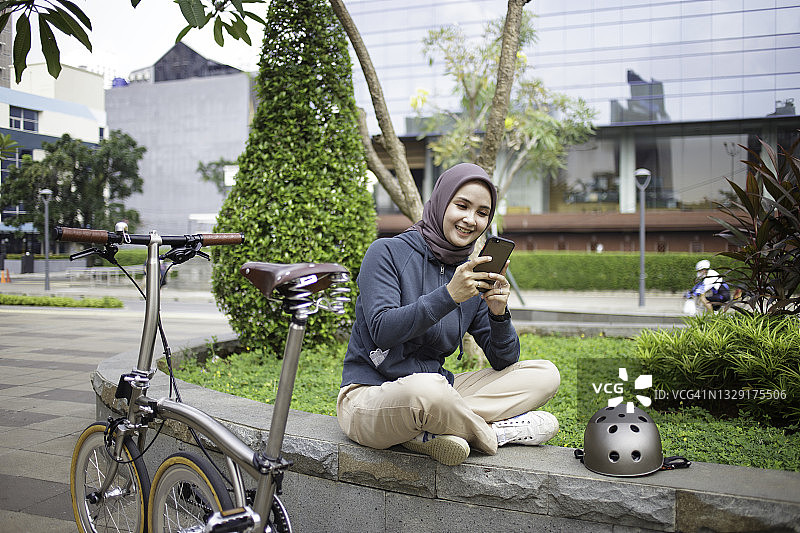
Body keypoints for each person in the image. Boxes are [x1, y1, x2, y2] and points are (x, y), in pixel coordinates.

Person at [336, 163, 561, 466]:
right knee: (427, 390)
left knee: (545, 375)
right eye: (462, 206)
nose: (470, 219)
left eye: (482, 213)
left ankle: (429, 430)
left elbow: (504, 361)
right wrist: (449, 296)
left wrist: (498, 314)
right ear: (441, 203)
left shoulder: (470, 274)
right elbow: (382, 330)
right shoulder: (386, 252)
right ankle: (496, 433)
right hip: (369, 396)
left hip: (439, 392)